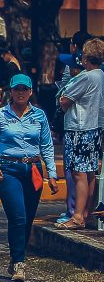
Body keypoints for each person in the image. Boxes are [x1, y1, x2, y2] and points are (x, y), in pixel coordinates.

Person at [0, 73, 58, 282]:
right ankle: (19, 262)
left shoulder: (39, 116)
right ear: (11, 92)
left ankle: (15, 256)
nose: (20, 93)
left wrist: (52, 174)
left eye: (24, 89)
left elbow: (46, 145)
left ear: (30, 92)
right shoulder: (0, 116)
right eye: (16, 89)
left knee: (27, 219)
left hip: (33, 169)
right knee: (17, 216)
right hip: (8, 169)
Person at [56, 37, 104, 230]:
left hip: (80, 127)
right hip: (95, 128)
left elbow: (64, 101)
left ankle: (77, 216)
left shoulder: (87, 76)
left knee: (79, 173)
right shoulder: (101, 75)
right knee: (90, 172)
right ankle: (86, 213)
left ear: (85, 57)